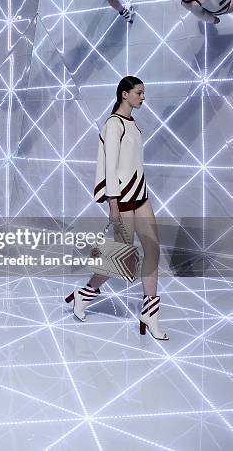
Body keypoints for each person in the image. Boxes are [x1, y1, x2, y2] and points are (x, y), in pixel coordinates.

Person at [65, 76, 168, 341]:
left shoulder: (134, 125)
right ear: (125, 94)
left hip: (141, 195)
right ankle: (84, 294)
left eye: (143, 93)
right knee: (122, 258)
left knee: (153, 249)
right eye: (139, 93)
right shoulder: (113, 124)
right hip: (122, 198)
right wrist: (113, 202)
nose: (143, 97)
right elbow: (110, 166)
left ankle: (150, 313)